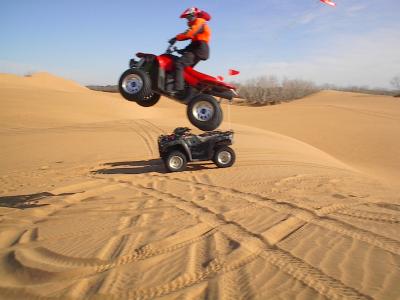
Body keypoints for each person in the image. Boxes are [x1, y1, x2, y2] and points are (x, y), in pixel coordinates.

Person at [169, 7, 211, 93]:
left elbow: (189, 34)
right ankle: (189, 90)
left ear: (194, 15)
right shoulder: (197, 24)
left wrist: (176, 38)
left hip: (199, 49)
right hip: (199, 48)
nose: (187, 20)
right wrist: (181, 50)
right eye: (186, 18)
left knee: (179, 64)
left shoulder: (200, 21)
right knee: (187, 70)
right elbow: (192, 43)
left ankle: (178, 88)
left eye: (188, 17)